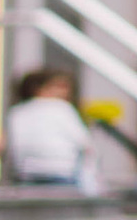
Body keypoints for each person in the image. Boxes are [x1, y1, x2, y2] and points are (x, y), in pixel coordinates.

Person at [5, 61, 96, 189]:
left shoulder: (17, 112)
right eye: (58, 86)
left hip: (26, 174)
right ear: (38, 88)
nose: (64, 92)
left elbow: (14, 147)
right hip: (62, 173)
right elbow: (84, 144)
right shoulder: (62, 108)